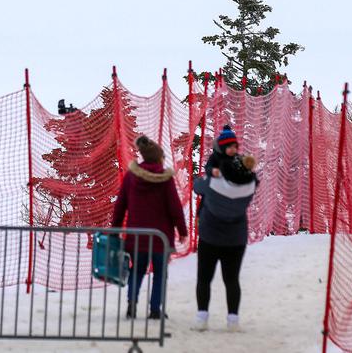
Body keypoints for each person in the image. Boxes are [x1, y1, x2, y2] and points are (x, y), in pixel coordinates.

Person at [111, 135, 188, 319]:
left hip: (136, 236)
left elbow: (120, 205)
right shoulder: (165, 178)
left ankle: (131, 304)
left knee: (136, 270)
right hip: (160, 238)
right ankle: (155, 309)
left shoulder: (131, 177)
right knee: (160, 274)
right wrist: (182, 231)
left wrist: (115, 230)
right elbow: (174, 207)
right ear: (158, 158)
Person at [192, 125, 259, 333]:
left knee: (204, 278)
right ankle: (232, 320)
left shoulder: (212, 184)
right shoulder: (249, 188)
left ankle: (202, 317)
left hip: (210, 236)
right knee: (232, 280)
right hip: (235, 239)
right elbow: (253, 178)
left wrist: (213, 175)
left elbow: (197, 186)